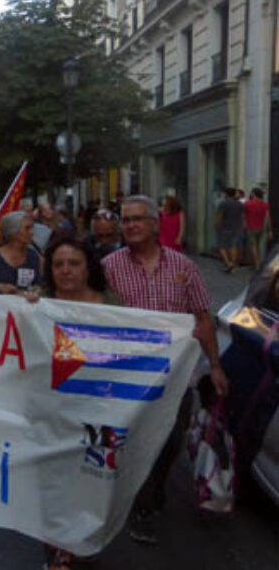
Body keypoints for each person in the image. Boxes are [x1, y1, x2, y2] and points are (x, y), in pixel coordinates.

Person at [102, 195, 228, 545]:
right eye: (125, 220)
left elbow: (202, 319)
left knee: (169, 442)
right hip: (128, 378)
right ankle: (143, 505)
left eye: (138, 219)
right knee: (131, 443)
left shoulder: (184, 267)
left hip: (176, 378)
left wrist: (215, 366)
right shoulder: (109, 267)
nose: (130, 225)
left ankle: (152, 489)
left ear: (156, 224)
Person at [41, 234, 120, 570]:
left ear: (89, 268)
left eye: (74, 263)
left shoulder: (114, 308)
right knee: (54, 487)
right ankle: (57, 551)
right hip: (51, 414)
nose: (66, 271)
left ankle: (78, 544)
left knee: (87, 485)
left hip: (97, 415)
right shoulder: (38, 308)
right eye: (58, 264)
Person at [0, 211, 41, 298]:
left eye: (32, 228)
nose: (32, 232)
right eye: (27, 228)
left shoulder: (33, 256)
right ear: (13, 232)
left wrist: (34, 292)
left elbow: (37, 284)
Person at [216, 188, 244, 273]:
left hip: (226, 227)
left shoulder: (223, 203)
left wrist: (218, 225)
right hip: (238, 227)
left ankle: (228, 263)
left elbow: (220, 215)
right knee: (233, 246)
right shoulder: (240, 204)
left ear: (226, 194)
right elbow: (242, 216)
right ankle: (233, 264)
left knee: (221, 246)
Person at [244, 187, 272, 270]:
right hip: (261, 228)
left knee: (253, 247)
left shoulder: (248, 203)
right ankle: (259, 263)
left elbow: (243, 216)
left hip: (251, 227)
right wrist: (270, 230)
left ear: (253, 194)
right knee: (259, 246)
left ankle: (257, 265)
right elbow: (268, 217)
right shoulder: (265, 204)